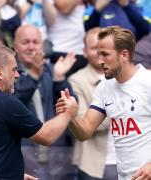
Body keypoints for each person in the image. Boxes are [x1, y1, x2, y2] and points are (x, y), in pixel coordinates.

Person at [56, 26, 151, 180]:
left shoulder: (148, 82)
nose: (100, 61)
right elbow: (85, 131)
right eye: (98, 54)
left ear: (124, 55)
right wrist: (71, 115)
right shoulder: (105, 87)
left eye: (105, 55)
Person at [0, 45, 78, 179]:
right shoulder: (6, 103)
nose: (17, 75)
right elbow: (46, 136)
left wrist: (15, 176)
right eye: (14, 69)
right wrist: (68, 113)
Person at [13, 24, 77, 179]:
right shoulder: (9, 72)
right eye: (25, 42)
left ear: (42, 45)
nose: (31, 47)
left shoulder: (53, 70)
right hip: (23, 154)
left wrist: (59, 79)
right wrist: (34, 76)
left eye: (35, 42)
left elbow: (72, 108)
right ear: (15, 46)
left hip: (57, 154)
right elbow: (13, 102)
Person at [68, 27, 117, 180]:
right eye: (94, 48)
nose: (99, 52)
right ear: (84, 51)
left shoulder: (124, 76)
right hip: (93, 162)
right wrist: (124, 111)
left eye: (103, 48)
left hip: (129, 159)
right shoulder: (76, 80)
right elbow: (83, 120)